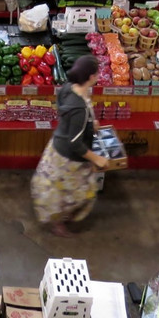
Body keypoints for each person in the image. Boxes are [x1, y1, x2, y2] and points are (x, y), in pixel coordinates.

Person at [30, 55, 110, 237]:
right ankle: (58, 222)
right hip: (68, 159)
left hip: (56, 147)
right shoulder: (79, 108)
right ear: (91, 77)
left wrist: (90, 124)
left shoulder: (69, 88)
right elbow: (75, 143)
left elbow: (62, 108)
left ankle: (63, 216)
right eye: (97, 73)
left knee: (64, 190)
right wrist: (97, 159)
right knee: (67, 194)